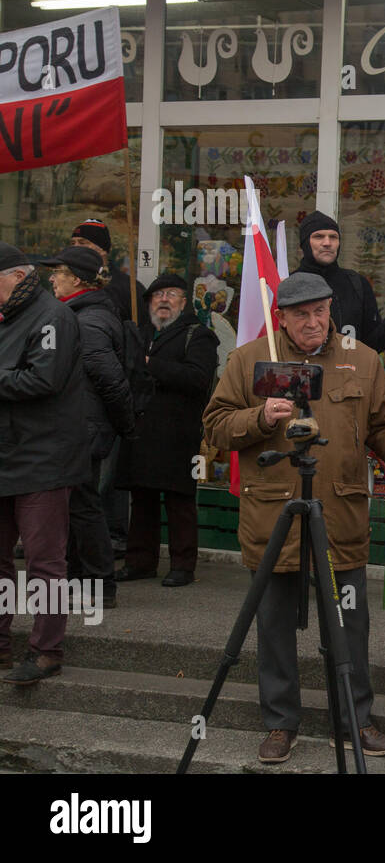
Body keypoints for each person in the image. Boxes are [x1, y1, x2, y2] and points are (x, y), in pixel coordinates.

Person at [203, 271, 385, 763]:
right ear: (282, 317)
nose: (313, 322)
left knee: (350, 626)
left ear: (332, 310)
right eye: (302, 314)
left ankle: (355, 719)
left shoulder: (362, 361)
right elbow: (216, 426)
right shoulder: (249, 360)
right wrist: (261, 418)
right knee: (275, 626)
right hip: (274, 519)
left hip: (340, 517)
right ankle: (281, 724)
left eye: (321, 311)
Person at [0, 243, 91, 685]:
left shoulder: (53, 317)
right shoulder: (11, 315)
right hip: (7, 454)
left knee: (44, 562)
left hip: (44, 458)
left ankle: (46, 650)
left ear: (18, 277)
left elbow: (43, 378)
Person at [39, 247, 136, 610]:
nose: (52, 279)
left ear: (77, 279)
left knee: (82, 505)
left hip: (84, 428)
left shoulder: (88, 320)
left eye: (58, 272)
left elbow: (111, 380)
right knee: (75, 504)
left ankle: (98, 583)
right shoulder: (82, 313)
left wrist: (124, 427)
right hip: (82, 425)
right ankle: (81, 578)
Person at [115, 274, 219, 587]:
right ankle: (139, 562)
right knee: (142, 500)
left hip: (178, 433)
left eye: (171, 294)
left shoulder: (199, 336)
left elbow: (198, 379)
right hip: (142, 430)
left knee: (180, 502)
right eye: (157, 295)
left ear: (184, 302)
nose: (163, 300)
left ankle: (182, 566)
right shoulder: (139, 332)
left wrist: (149, 363)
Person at [292, 211, 385, 353]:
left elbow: (371, 346)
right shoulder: (289, 286)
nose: (327, 243)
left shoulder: (356, 284)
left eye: (333, 237)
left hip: (348, 374)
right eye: (319, 237)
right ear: (304, 243)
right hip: (305, 372)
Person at [68, 218, 147, 328]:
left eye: (83, 243)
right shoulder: (67, 282)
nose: (75, 248)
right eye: (72, 243)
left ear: (103, 249)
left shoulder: (129, 288)